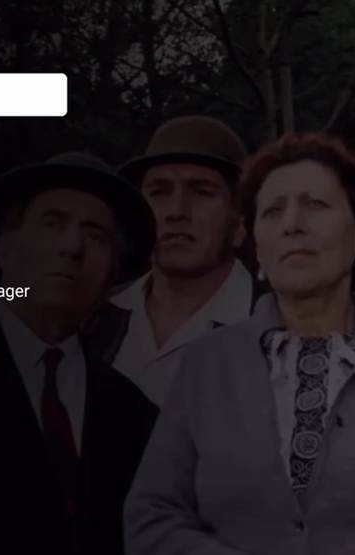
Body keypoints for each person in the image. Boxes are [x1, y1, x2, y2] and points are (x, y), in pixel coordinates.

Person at [124, 133, 355, 555]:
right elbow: (153, 516)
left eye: (314, 205)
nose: (292, 224)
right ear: (257, 246)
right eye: (273, 211)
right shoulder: (207, 365)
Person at [0, 152, 159, 555]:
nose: (72, 246)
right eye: (52, 224)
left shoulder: (135, 414)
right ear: (5, 247)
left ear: (114, 272)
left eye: (96, 235)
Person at [85, 116, 258, 407]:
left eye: (202, 192)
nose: (176, 211)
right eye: (159, 192)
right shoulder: (92, 316)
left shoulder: (281, 323)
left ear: (239, 222)